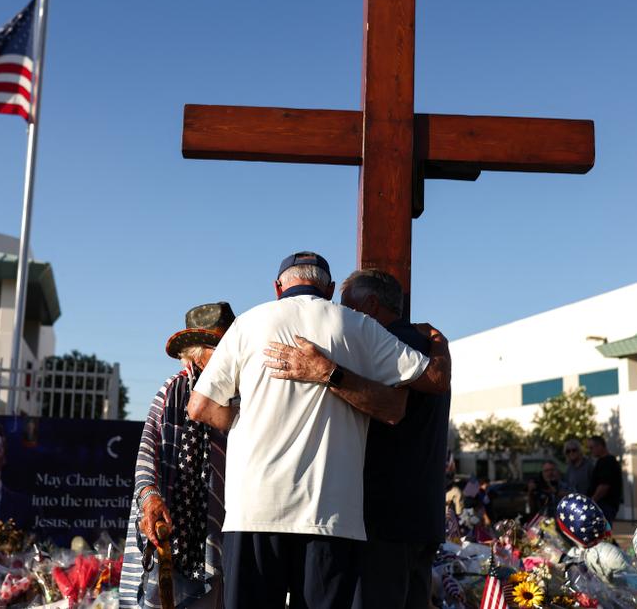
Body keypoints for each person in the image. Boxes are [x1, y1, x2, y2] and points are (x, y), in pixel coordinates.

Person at [188, 253, 449, 609]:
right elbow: (428, 384)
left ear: (278, 287)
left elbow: (200, 407)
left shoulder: (248, 324)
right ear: (328, 289)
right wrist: (436, 339)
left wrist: (248, 417)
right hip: (331, 515)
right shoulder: (357, 325)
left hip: (254, 508)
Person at [262, 269, 451, 609]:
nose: (341, 317)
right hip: (422, 516)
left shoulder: (392, 347)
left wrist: (325, 373)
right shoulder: (425, 345)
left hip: (384, 517)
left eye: (348, 308)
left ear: (371, 306)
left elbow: (393, 408)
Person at [118, 302, 235, 609]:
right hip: (179, 531)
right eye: (220, 347)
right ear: (198, 353)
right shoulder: (173, 393)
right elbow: (147, 454)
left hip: (228, 529)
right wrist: (151, 499)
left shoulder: (242, 393)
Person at [586, 435, 623, 524]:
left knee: (601, 534)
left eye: (591, 448)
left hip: (604, 506)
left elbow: (604, 486)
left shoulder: (608, 462)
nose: (590, 451)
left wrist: (592, 502)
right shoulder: (603, 461)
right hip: (603, 506)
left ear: (600, 446)